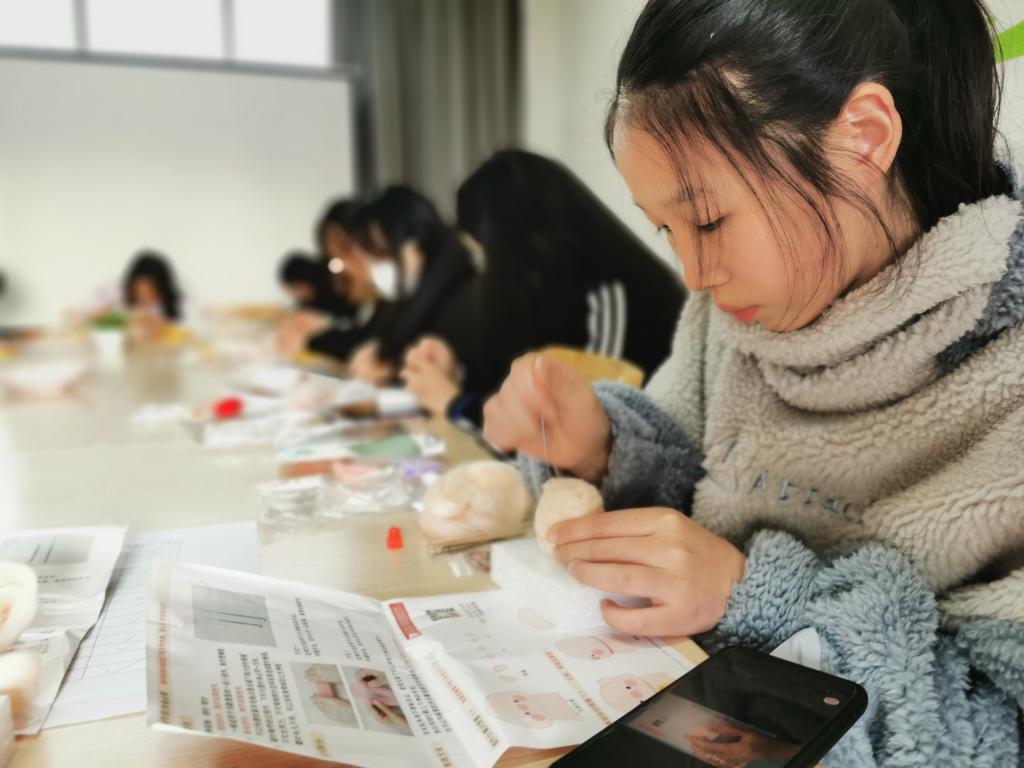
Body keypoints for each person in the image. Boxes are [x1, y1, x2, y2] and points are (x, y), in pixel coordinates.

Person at [482, 1, 1023, 765]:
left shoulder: (1006, 368)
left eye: (708, 221)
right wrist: (603, 449)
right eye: (665, 230)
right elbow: (685, 473)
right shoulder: (729, 315)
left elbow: (993, 734)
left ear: (864, 139)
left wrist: (755, 597)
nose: (694, 274)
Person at [402, 150, 686, 423]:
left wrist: (455, 404)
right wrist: (456, 374)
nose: (484, 272)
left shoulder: (610, 297)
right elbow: (511, 393)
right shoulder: (541, 291)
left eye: (486, 254)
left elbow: (575, 426)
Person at [346, 186, 477, 385]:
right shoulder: (411, 294)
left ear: (416, 243)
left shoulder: (462, 297)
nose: (375, 267)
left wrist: (391, 371)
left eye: (383, 253)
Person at [122, 251, 183, 340]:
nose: (144, 296)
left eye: (150, 290)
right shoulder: (125, 303)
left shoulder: (177, 304)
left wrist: (165, 326)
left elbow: (191, 329)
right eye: (139, 291)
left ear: (162, 288)